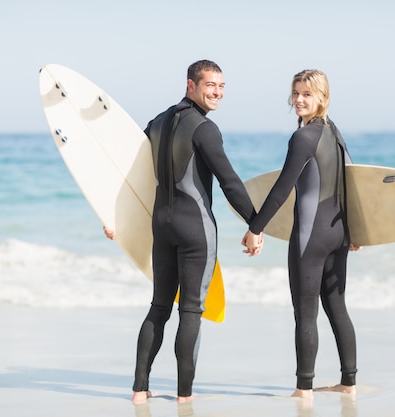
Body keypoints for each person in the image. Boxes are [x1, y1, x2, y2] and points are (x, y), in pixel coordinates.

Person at [104, 59, 261, 403]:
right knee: (190, 310)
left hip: (162, 226)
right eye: (210, 85)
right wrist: (256, 224)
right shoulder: (205, 128)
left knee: (159, 306)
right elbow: (230, 182)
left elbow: (132, 176)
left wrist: (113, 216)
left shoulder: (157, 123)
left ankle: (140, 391)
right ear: (190, 85)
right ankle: (184, 396)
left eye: (221, 86)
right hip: (195, 229)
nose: (217, 92)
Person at [242, 69, 360, 400]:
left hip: (311, 237)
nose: (298, 100)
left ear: (322, 98)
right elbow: (354, 179)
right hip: (338, 234)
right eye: (295, 93)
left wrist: (255, 228)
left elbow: (282, 188)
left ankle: (303, 389)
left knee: (305, 312)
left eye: (306, 94)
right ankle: (348, 383)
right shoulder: (334, 132)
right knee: (337, 307)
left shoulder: (302, 137)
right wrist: (356, 230)